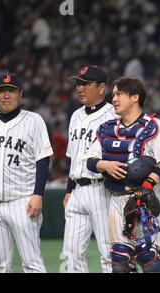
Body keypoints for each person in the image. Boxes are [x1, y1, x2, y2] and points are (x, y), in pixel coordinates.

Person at [85, 76, 160, 273]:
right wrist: (104, 164)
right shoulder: (107, 128)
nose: (114, 98)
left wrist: (148, 186)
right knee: (119, 261)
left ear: (135, 97)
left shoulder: (154, 126)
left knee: (149, 259)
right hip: (116, 199)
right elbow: (90, 160)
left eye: (119, 94)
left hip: (145, 198)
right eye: (114, 94)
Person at [0, 73, 53, 272]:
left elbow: (43, 159)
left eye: (11, 91)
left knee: (32, 263)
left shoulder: (34, 120)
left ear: (20, 94)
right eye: (2, 91)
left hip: (23, 201)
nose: (6, 95)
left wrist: (38, 194)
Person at [61, 65, 116, 273]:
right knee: (71, 253)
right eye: (78, 84)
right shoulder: (75, 115)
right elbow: (73, 157)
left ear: (101, 88)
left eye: (85, 84)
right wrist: (69, 189)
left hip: (103, 189)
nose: (79, 88)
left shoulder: (113, 114)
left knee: (109, 252)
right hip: (77, 190)